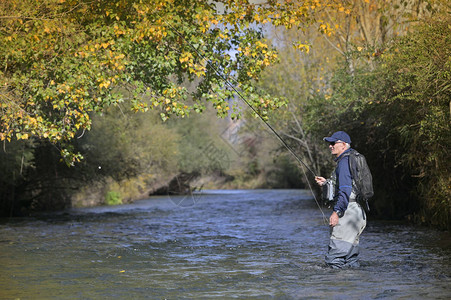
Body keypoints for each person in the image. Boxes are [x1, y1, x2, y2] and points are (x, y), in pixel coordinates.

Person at [314, 131, 366, 268]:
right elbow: (349, 186)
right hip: (357, 213)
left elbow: (345, 190)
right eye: (329, 144)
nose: (330, 146)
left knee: (334, 260)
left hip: (347, 213)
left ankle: (336, 288)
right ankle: (352, 287)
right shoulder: (352, 159)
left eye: (333, 143)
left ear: (343, 145)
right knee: (350, 260)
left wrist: (336, 212)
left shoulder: (344, 162)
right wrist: (327, 183)